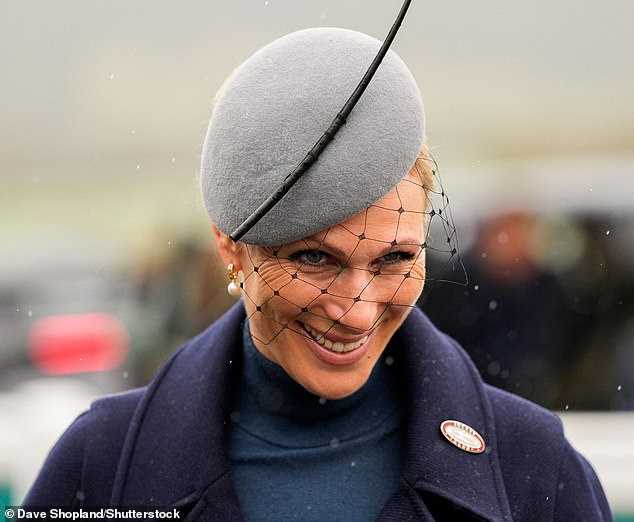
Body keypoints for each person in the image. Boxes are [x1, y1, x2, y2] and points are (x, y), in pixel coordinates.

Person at [24, 27, 611, 521]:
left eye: (395, 259)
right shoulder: (99, 467)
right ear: (231, 246)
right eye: (314, 258)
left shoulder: (535, 471)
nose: (355, 311)